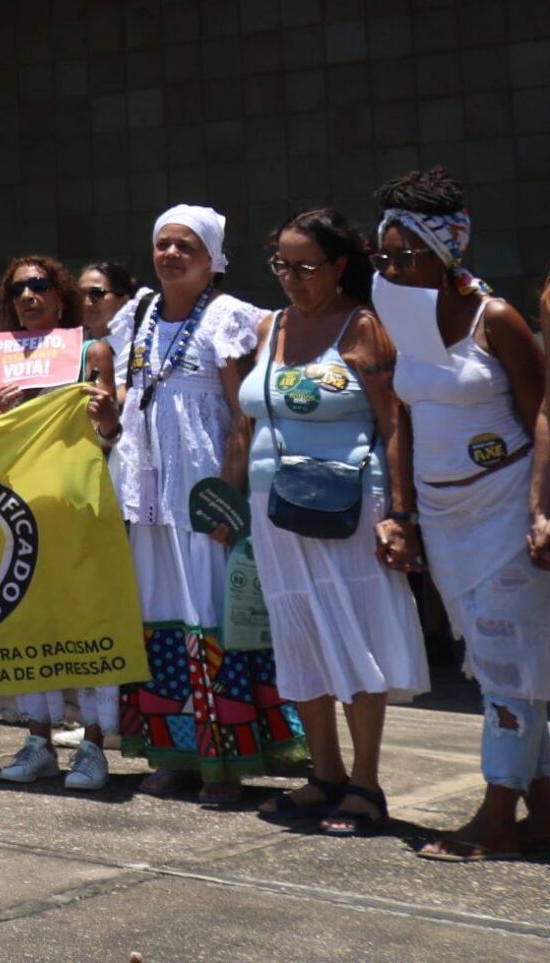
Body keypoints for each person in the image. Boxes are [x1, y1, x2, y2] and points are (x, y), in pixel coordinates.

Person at [364, 170, 550, 858]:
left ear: (444, 252)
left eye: (404, 256)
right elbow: (404, 424)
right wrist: (404, 514)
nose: (390, 269)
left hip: (504, 510)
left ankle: (496, 815)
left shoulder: (494, 319)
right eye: (383, 257)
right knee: (501, 664)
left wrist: (542, 510)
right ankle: (544, 808)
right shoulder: (404, 323)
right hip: (445, 518)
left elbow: (544, 415)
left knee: (508, 665)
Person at [226, 209, 429, 837]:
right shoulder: (271, 325)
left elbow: (394, 424)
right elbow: (246, 421)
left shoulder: (364, 326)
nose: (292, 278)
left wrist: (401, 514)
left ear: (340, 265)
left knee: (353, 630)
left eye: (306, 267)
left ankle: (366, 784)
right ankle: (326, 775)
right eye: (281, 266)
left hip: (349, 506)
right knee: (299, 634)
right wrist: (228, 499)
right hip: (276, 507)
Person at [105, 205, 300, 803]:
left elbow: (242, 417)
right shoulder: (137, 314)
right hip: (148, 501)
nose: (170, 254)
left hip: (202, 501)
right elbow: (128, 396)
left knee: (209, 620)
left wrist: (226, 498)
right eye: (162, 243)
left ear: (212, 258)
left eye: (185, 246)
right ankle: (176, 755)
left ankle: (227, 761)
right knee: (159, 620)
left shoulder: (226, 317)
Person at [0, 256, 121, 790]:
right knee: (31, 621)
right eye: (18, 289)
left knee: (87, 620)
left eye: (39, 285)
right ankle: (38, 741)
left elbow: (111, 433)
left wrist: (104, 417)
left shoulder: (91, 352)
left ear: (61, 295)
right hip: (22, 508)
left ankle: (93, 747)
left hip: (79, 505)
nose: (28, 296)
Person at [80, 262, 138, 340]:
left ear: (124, 301)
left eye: (97, 293)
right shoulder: (71, 344)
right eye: (80, 293)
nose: (86, 303)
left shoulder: (141, 343)